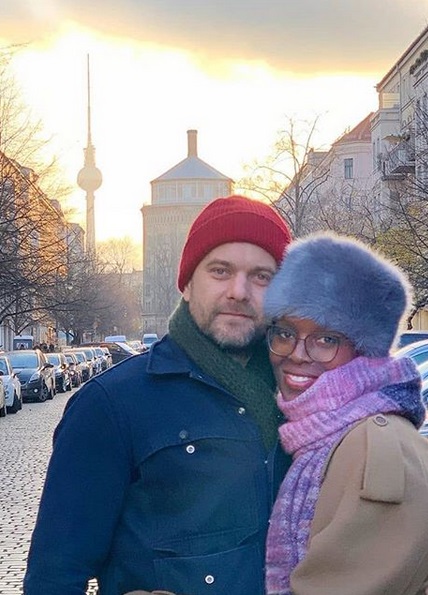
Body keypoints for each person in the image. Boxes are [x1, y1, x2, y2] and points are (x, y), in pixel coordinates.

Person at [23, 195, 293, 595]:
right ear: (186, 284)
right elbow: (54, 577)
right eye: (220, 271)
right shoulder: (112, 405)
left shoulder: (305, 400)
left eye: (262, 277)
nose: (239, 291)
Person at [263, 231, 428, 595]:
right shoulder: (318, 436)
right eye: (285, 332)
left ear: (363, 349)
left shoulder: (376, 448)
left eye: (326, 339)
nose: (297, 353)